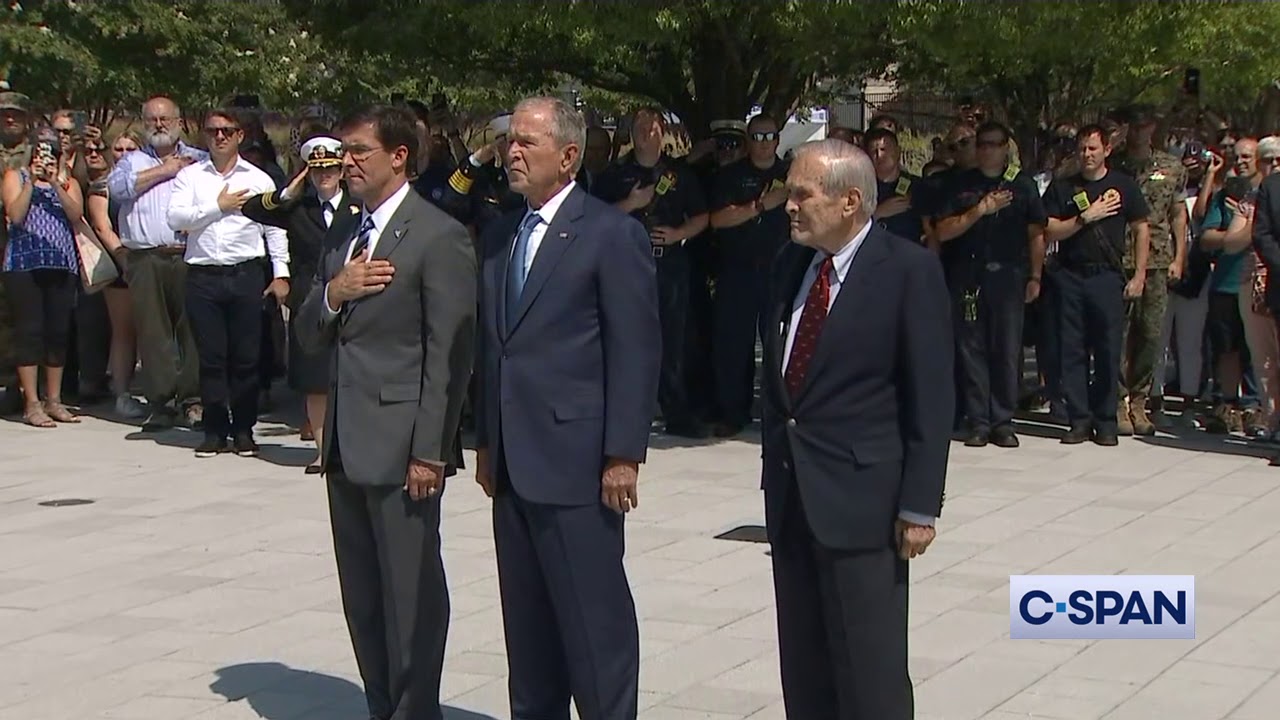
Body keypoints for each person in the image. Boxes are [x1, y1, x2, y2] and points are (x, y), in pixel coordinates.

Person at [473, 96, 660, 720]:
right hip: (514, 467)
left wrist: (623, 455)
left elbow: (635, 352)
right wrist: (488, 444)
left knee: (593, 628)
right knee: (529, 640)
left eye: (527, 141)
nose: (512, 152)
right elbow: (495, 346)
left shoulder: (611, 234)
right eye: (509, 141)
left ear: (570, 155)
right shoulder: (503, 233)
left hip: (579, 467)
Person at [295, 104, 475, 720]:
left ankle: (414, 708)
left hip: (403, 449)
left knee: (411, 593)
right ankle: (381, 706)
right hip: (345, 443)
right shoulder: (346, 234)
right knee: (364, 596)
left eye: (358, 151)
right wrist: (332, 293)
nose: (345, 162)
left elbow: (448, 354)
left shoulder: (438, 234)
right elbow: (309, 333)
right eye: (344, 151)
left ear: (398, 157)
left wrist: (431, 449)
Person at [762, 139, 952, 719]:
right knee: (806, 667)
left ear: (849, 202)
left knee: (868, 672)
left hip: (864, 504)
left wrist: (920, 505)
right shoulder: (790, 264)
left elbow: (932, 395)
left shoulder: (906, 271)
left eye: (802, 194)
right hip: (795, 499)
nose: (789, 206)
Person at [167, 108, 289, 458]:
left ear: (240, 136)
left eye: (227, 131)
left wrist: (281, 273)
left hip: (245, 273)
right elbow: (176, 217)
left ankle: (244, 429)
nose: (219, 137)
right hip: (204, 275)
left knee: (247, 357)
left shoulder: (258, 179)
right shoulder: (190, 177)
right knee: (211, 358)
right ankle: (215, 429)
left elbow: (275, 228)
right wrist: (217, 206)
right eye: (213, 131)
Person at [242, 135, 361, 473]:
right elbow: (252, 209)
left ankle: (350, 448)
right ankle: (323, 452)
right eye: (317, 170)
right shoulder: (298, 209)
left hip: (352, 297)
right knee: (315, 379)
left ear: (341, 170)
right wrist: (287, 191)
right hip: (310, 301)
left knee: (352, 374)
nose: (324, 176)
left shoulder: (357, 205)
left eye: (330, 169)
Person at [1043, 124, 1151, 445]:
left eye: (1093, 148)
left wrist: (1140, 274)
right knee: (1072, 350)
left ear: (1107, 149)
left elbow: (1142, 229)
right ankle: (1079, 419)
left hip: (1107, 276)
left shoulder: (1123, 186)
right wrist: (1083, 218)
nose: (1087, 155)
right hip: (1071, 276)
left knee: (1107, 350)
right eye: (1082, 149)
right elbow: (1048, 230)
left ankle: (1106, 420)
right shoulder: (1063, 188)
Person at [1, 127, 84, 427]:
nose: (45, 156)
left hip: (61, 264)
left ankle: (54, 399)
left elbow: (75, 215)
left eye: (52, 151)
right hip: (24, 265)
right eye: (40, 150)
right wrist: (33, 183)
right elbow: (16, 214)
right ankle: (31, 403)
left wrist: (55, 183)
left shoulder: (68, 182)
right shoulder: (16, 176)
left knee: (57, 333)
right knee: (29, 332)